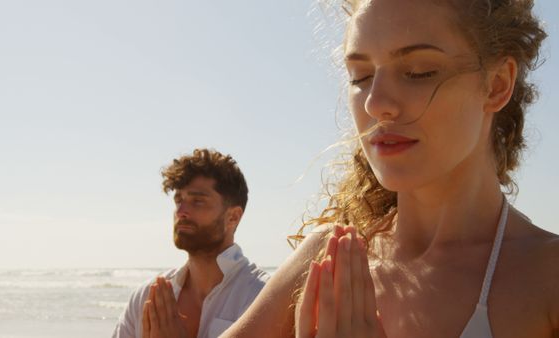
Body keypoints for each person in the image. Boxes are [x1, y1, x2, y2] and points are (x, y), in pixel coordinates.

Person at [220, 0, 558, 337]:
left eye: (419, 72)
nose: (375, 102)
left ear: (497, 84)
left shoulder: (546, 277)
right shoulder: (326, 258)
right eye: (361, 77)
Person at [112, 148, 269, 338]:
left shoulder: (261, 297)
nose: (181, 211)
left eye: (197, 201)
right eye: (179, 201)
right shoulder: (146, 297)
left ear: (233, 217)